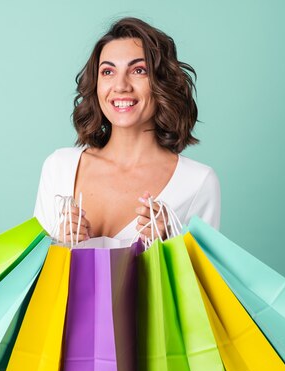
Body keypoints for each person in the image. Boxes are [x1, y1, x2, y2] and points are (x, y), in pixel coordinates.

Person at [34, 17, 220, 244]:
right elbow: (33, 276)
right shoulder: (59, 167)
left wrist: (168, 248)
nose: (121, 86)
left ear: (163, 83)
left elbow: (203, 278)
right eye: (108, 72)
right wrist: (57, 245)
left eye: (139, 70)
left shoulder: (197, 182)